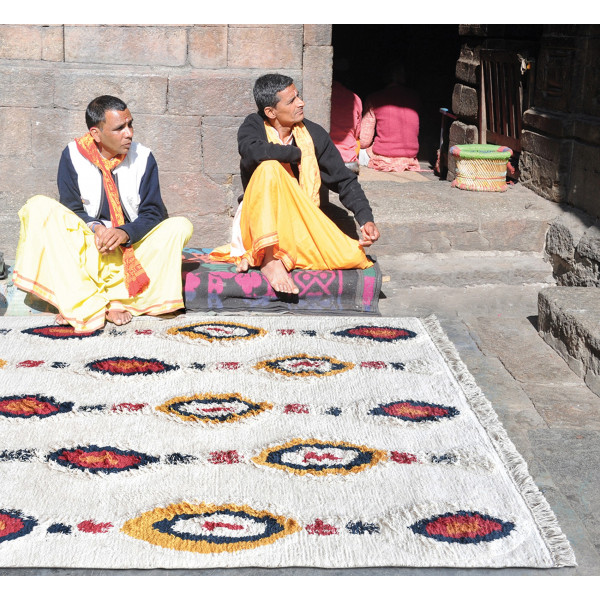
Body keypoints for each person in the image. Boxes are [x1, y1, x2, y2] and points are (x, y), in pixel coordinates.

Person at [13, 95, 193, 332]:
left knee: (180, 226)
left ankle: (118, 300)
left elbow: (153, 212)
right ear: (96, 134)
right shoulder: (72, 155)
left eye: (130, 124)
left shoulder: (144, 157)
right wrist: (97, 229)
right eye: (120, 128)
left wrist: (124, 233)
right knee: (37, 206)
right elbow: (71, 209)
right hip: (89, 242)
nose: (129, 133)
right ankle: (83, 301)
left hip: (130, 247)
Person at [210, 73, 380, 295]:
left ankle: (265, 256)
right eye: (291, 101)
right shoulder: (253, 125)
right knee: (269, 167)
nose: (301, 103)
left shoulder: (314, 134)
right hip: (259, 221)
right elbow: (251, 150)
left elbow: (344, 180)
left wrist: (366, 218)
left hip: (300, 220)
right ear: (271, 112)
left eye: (298, 96)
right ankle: (269, 260)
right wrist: (297, 154)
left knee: (352, 255)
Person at [359, 63, 421, 172]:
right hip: (409, 159)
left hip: (382, 157)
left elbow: (364, 140)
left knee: (351, 152)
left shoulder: (374, 98)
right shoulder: (415, 97)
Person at [330, 79, 362, 174]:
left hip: (323, 158)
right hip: (349, 159)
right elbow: (357, 133)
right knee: (357, 141)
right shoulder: (355, 98)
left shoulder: (314, 98)